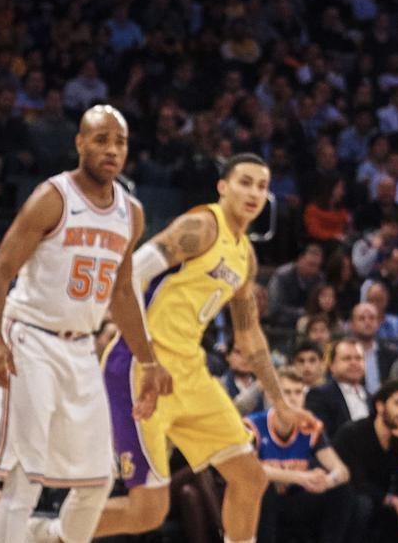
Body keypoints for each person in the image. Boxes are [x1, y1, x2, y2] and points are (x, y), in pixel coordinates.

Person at [0, 105, 172, 543]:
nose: (112, 150)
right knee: (26, 476)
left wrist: (149, 360)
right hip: (31, 339)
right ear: (79, 143)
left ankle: (49, 537)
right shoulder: (53, 197)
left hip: (80, 348)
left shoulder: (131, 213)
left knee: (98, 479)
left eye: (120, 142)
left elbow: (122, 293)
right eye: (101, 140)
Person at [95, 153, 321, 543]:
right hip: (140, 366)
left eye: (262, 186)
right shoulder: (200, 227)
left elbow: (249, 336)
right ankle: (42, 535)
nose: (253, 193)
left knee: (250, 477)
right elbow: (128, 274)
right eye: (244, 182)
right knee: (147, 512)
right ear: (223, 186)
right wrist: (147, 356)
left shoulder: (245, 256)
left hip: (190, 371)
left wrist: (281, 402)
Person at [246, 368, 356, 543]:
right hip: (260, 507)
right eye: (286, 392)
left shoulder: (310, 426)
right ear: (271, 396)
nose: (293, 398)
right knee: (265, 489)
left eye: (298, 392)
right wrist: (301, 477)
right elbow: (251, 470)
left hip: (294, 502)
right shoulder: (252, 425)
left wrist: (326, 482)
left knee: (342, 491)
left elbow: (342, 471)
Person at [334, 379, 398, 542]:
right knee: (363, 505)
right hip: (353, 496)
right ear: (380, 406)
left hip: (384, 499)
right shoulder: (353, 433)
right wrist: (391, 500)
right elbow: (356, 482)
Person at [307, 336, 371, 437]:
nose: (354, 363)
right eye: (347, 358)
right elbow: (320, 437)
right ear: (332, 365)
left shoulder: (371, 398)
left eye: (358, 358)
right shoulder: (319, 396)